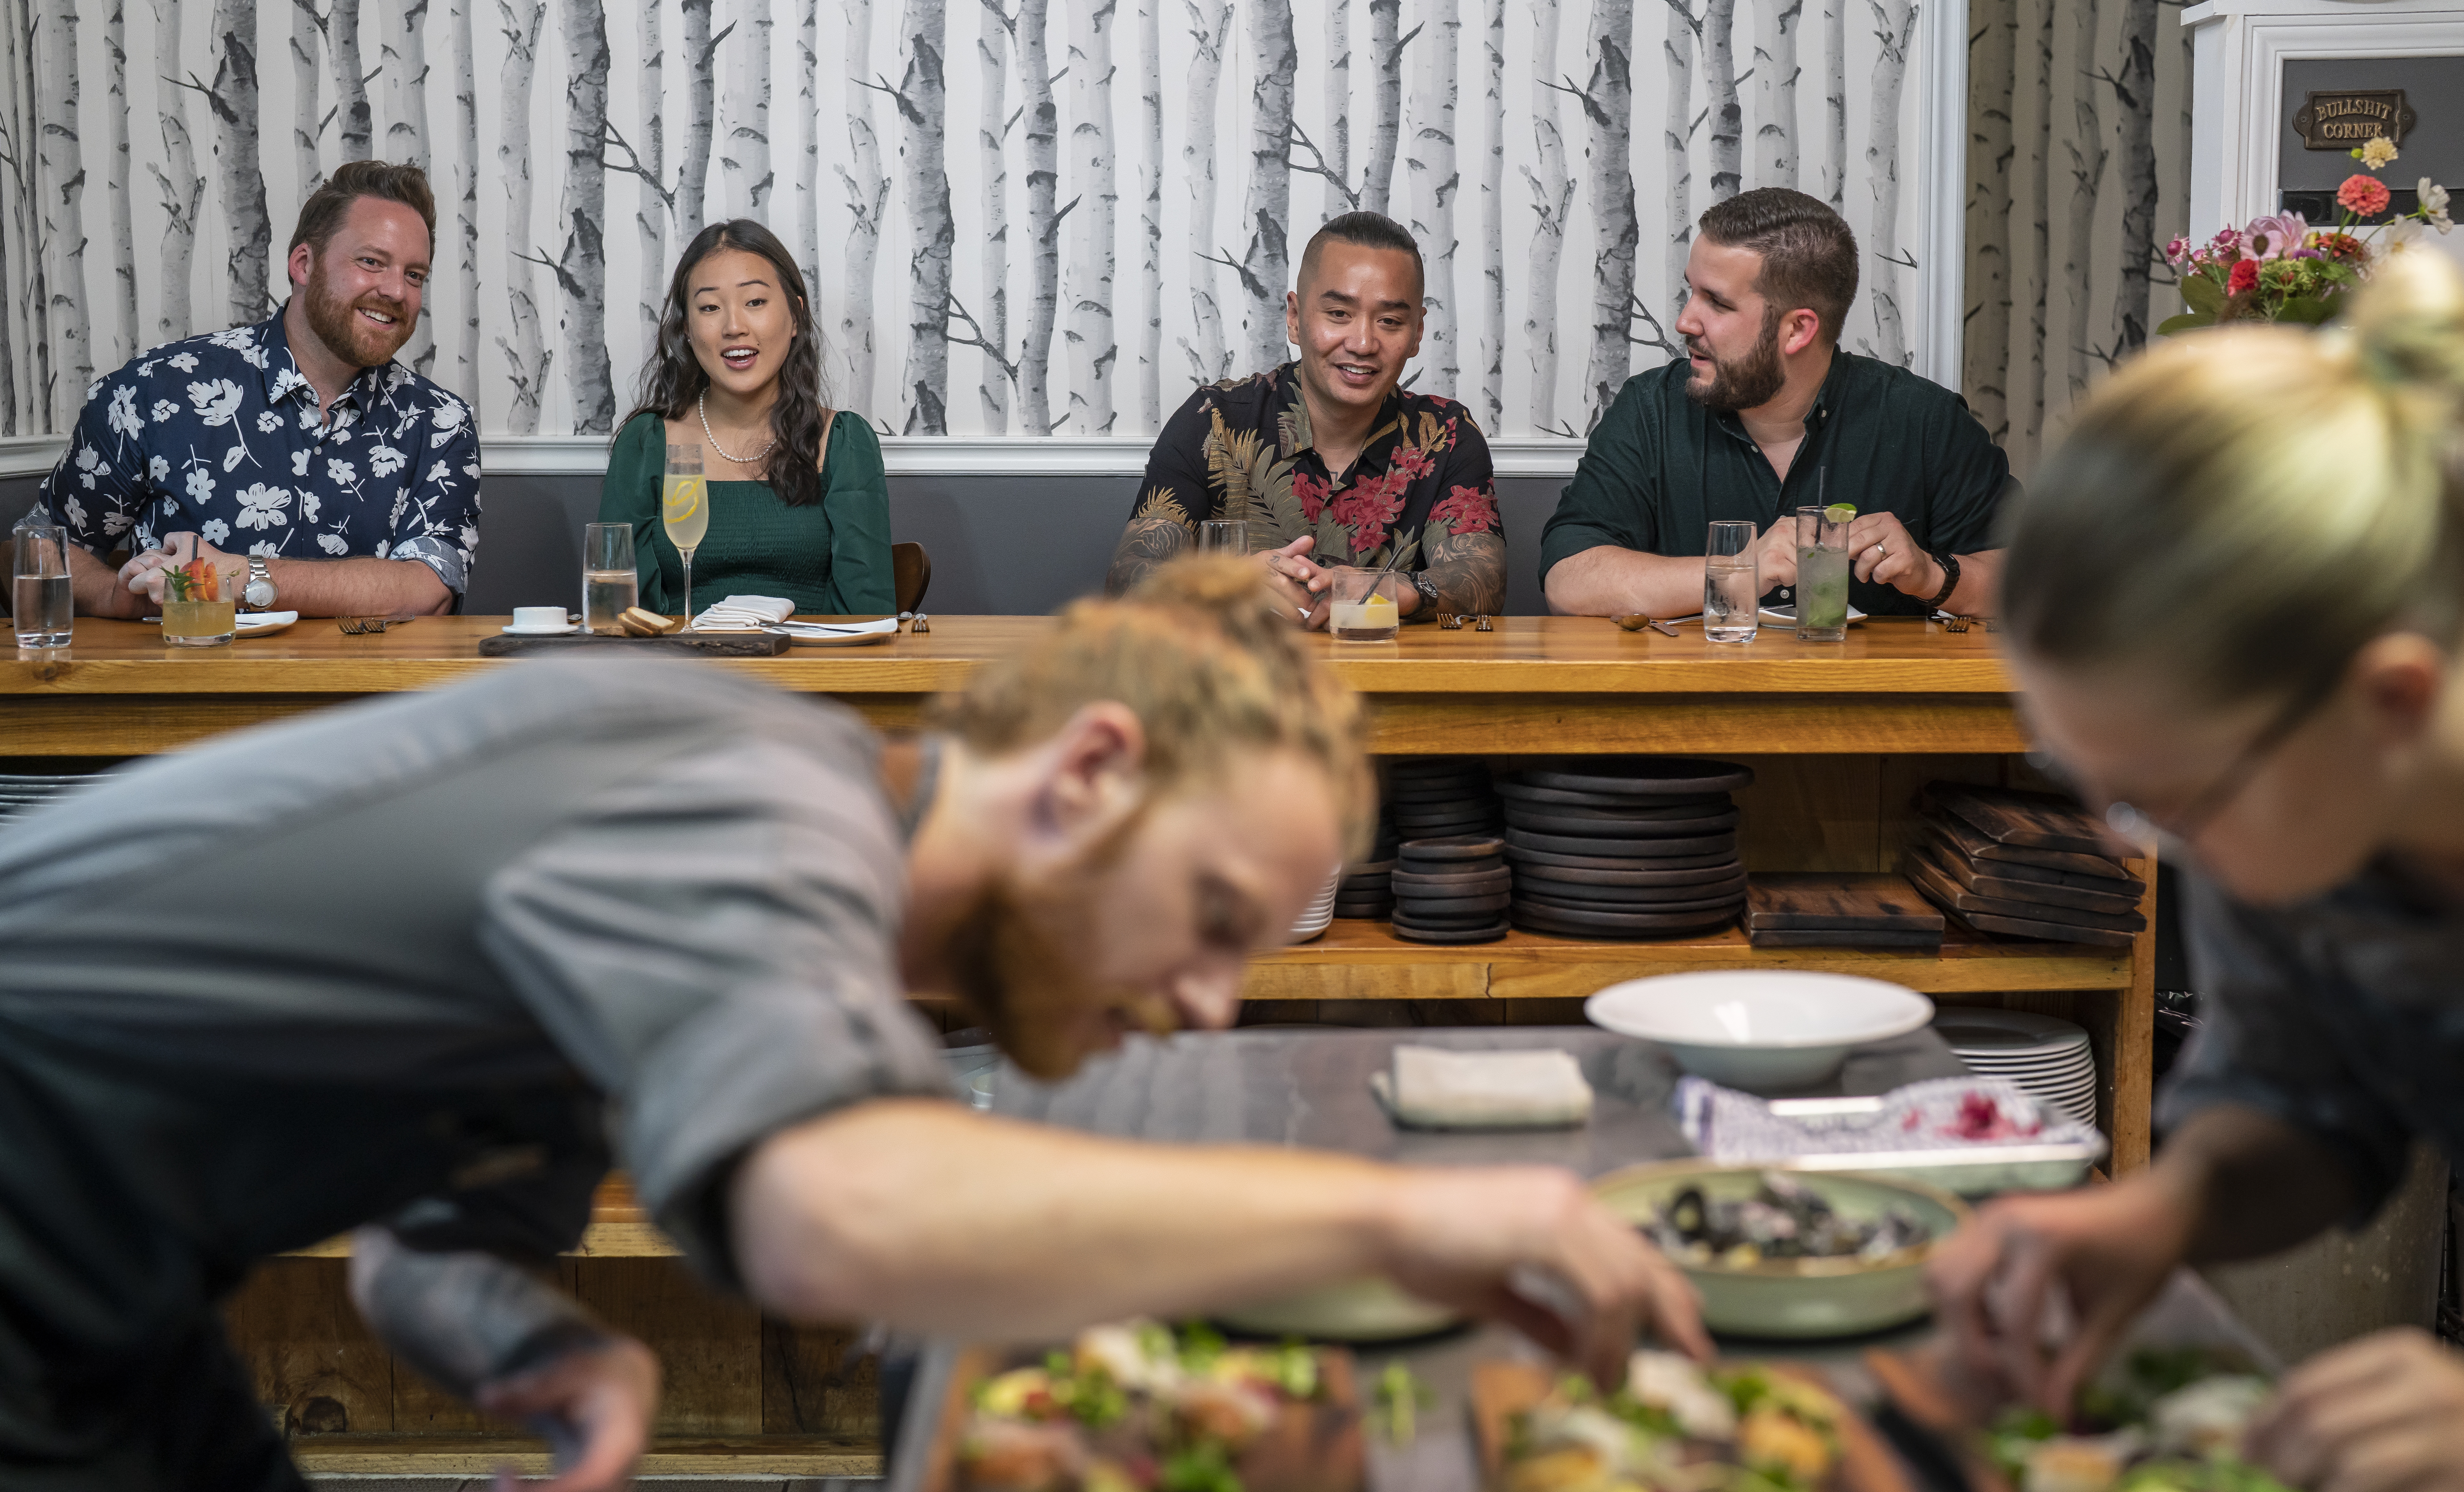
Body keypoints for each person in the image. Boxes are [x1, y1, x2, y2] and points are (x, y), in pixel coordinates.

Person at [0, 556, 1705, 1492]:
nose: (1206, 999)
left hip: (109, 1315)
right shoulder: (756, 794)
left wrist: (551, 1351)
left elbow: (410, 1254)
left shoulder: (771, 901)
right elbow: (840, 1215)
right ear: (1089, 770)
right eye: (1206, 919)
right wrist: (1408, 1213)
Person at [1927, 251, 2464, 1492]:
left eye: (2164, 796)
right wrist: (2162, 1208)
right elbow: (2301, 1093)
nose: (2133, 837)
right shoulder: (2295, 784)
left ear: (2391, 700)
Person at [1540, 189, 2010, 620]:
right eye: (1691, 291)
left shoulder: (1925, 420)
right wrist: (1739, 568)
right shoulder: (1649, 411)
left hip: (1875, 706)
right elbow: (1570, 578)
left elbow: (2030, 585)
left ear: (1798, 330)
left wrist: (1933, 575)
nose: (1685, 321)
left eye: (1717, 303)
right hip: (1690, 702)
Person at [40, 160, 478, 619]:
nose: (396, 291)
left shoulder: (441, 423)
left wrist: (236, 577)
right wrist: (113, 596)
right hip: (186, 686)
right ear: (304, 264)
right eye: (372, 262)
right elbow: (41, 549)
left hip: (380, 692)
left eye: (415, 275)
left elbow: (430, 587)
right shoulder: (154, 389)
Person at [1105, 211, 1506, 625]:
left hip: (1391, 681)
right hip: (1235, 683)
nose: (1364, 343)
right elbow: (1128, 581)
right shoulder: (1212, 421)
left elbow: (1483, 579)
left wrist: (1384, 589)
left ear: (1418, 333)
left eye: (1390, 321)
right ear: (1295, 318)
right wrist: (1230, 581)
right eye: (1338, 314)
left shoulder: (1446, 434)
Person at [598, 219, 893, 618]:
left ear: (794, 316)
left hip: (809, 675)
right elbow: (623, 617)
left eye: (755, 302)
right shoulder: (645, 443)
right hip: (678, 675)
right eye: (709, 308)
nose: (734, 327)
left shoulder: (843, 441)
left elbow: (867, 617)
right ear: (687, 328)